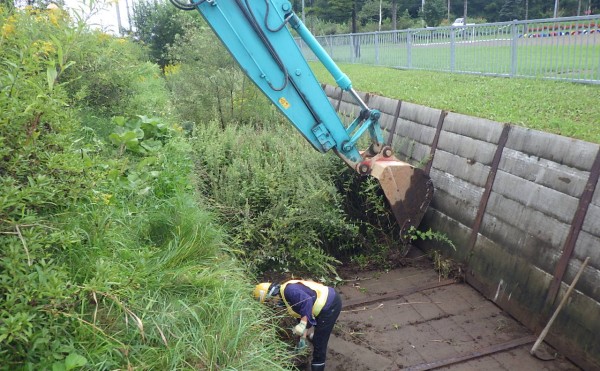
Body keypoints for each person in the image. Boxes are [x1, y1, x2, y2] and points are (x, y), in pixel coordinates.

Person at [254, 280, 342, 371]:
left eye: (269, 302)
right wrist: (302, 338)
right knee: (316, 335)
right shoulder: (286, 298)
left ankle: (318, 364)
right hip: (323, 303)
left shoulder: (289, 291)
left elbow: (307, 302)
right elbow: (302, 313)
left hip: (331, 303)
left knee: (320, 343)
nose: (273, 304)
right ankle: (313, 337)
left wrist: (303, 324)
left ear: (270, 294)